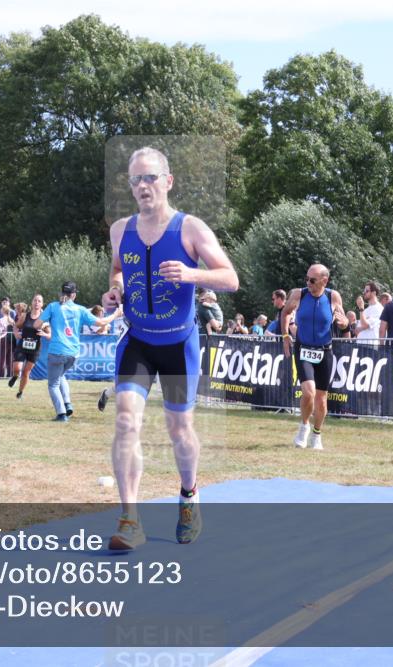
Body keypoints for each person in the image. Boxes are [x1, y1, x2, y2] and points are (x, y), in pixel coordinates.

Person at [101, 146, 238, 551]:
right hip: (138, 341)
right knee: (126, 420)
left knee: (180, 429)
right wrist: (115, 291)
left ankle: (189, 496)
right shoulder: (120, 230)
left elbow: (230, 278)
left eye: (150, 178)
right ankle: (130, 519)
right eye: (136, 180)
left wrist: (192, 273)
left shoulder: (190, 229)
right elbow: (117, 269)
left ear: (168, 181)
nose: (143, 186)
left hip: (179, 343)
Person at [33, 281, 120, 422]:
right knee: (60, 376)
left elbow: (37, 324)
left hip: (56, 351)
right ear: (73, 295)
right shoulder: (81, 310)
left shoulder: (53, 306)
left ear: (62, 293)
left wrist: (46, 324)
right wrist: (116, 314)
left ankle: (61, 414)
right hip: (73, 354)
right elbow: (102, 323)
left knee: (53, 384)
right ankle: (68, 404)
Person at [281, 264, 346, 450]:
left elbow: (344, 321)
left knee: (321, 398)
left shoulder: (333, 296)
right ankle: (304, 426)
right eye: (306, 279)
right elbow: (285, 313)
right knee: (308, 392)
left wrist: (344, 323)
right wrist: (286, 335)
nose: (308, 283)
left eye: (312, 280)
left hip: (325, 351)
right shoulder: (298, 295)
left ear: (324, 281)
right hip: (303, 349)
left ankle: (317, 434)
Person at [9, 295, 49, 399]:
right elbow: (15, 326)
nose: (36, 303)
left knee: (26, 372)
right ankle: (15, 376)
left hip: (35, 349)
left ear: (42, 304)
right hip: (22, 345)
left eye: (39, 301)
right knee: (17, 368)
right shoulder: (25, 316)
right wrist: (16, 333)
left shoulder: (44, 319)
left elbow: (50, 335)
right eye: (35, 300)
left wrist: (45, 334)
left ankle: (20, 392)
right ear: (32, 303)